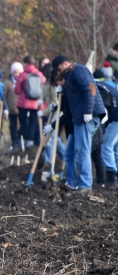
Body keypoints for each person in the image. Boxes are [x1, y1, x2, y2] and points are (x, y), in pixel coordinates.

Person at [52, 55, 106, 192]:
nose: (58, 72)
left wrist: (88, 111)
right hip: (78, 119)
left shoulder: (78, 70)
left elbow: (90, 88)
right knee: (69, 153)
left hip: (87, 117)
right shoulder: (69, 76)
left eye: (58, 69)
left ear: (65, 64)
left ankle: (85, 185)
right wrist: (62, 92)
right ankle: (72, 182)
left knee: (82, 151)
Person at [15, 55, 45, 147]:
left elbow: (17, 90)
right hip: (35, 104)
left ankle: (21, 145)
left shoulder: (23, 75)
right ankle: (30, 145)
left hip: (23, 103)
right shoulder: (40, 74)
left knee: (23, 124)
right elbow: (43, 87)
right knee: (32, 124)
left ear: (26, 63)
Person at [94, 70, 118, 186]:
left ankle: (112, 176)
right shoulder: (105, 85)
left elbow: (106, 108)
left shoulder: (96, 88)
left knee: (106, 144)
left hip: (116, 119)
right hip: (115, 117)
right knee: (114, 147)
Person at [4, 62, 23, 151]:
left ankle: (20, 143)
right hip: (11, 109)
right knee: (13, 127)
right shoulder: (8, 82)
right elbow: (4, 95)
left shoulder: (23, 81)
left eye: (18, 72)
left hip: (21, 109)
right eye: (15, 72)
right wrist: (6, 107)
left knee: (22, 127)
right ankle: (14, 144)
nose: (17, 74)